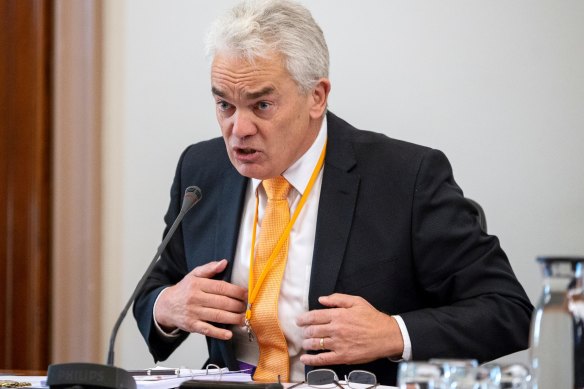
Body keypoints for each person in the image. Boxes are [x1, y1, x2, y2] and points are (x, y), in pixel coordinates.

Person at [133, 0, 533, 385]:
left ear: (316, 96)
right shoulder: (202, 169)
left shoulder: (406, 178)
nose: (239, 130)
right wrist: (167, 307)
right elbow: (152, 292)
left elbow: (508, 312)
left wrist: (393, 332)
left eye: (262, 105)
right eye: (224, 105)